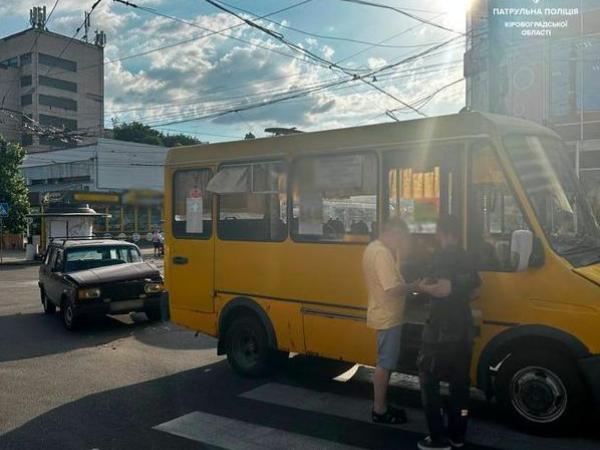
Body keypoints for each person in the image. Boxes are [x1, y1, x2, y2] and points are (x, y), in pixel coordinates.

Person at [414, 215, 481, 450]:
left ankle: (438, 438)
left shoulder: (442, 256)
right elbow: (474, 292)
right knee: (460, 387)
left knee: (429, 383)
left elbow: (442, 289)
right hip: (464, 332)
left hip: (441, 333)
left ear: (441, 232)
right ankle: (458, 435)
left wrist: (421, 286)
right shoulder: (466, 255)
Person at [362, 217, 412, 425]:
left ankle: (381, 405)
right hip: (387, 316)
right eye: (400, 239)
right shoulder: (382, 253)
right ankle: (379, 410)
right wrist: (415, 286)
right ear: (394, 233)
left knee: (386, 362)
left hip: (384, 313)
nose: (400, 244)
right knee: (385, 364)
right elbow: (391, 288)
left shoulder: (373, 248)